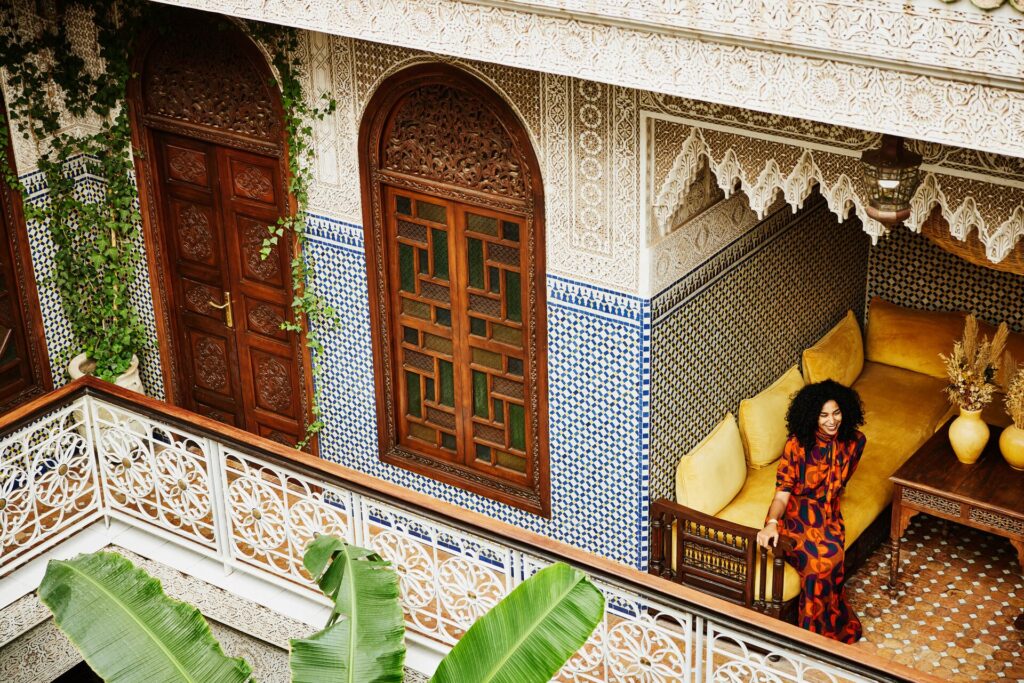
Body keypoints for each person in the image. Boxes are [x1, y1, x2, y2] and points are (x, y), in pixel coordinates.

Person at [756, 379, 867, 643]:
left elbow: (844, 479)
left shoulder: (854, 442)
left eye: (837, 413)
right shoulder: (797, 445)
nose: (832, 421)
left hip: (828, 514)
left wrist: (831, 496)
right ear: (811, 417)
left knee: (833, 554)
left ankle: (831, 627)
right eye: (824, 415)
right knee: (818, 565)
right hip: (797, 515)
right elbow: (782, 494)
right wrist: (772, 522)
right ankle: (810, 638)